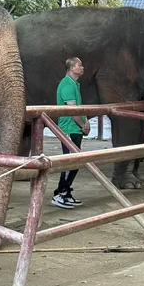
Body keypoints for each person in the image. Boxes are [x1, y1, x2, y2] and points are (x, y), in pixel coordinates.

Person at [51, 57, 89, 209]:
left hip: (75, 128)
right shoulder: (67, 84)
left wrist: (85, 123)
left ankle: (65, 193)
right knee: (70, 162)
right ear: (72, 68)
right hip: (69, 128)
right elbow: (72, 109)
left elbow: (79, 107)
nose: (82, 67)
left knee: (75, 162)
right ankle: (59, 193)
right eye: (80, 65)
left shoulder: (74, 84)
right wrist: (82, 125)